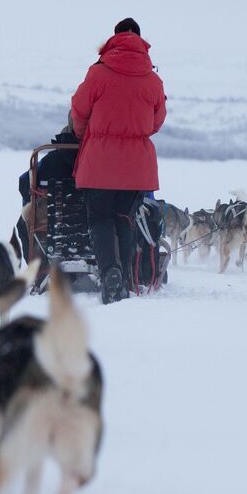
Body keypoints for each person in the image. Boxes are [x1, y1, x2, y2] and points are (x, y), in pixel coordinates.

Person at [70, 17, 167, 303]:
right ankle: (124, 277)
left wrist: (85, 135)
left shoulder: (98, 73)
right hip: (136, 165)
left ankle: (109, 271)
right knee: (125, 219)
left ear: (113, 39)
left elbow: (78, 110)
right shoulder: (153, 80)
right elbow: (156, 121)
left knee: (99, 218)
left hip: (99, 161)